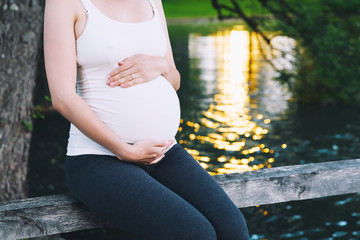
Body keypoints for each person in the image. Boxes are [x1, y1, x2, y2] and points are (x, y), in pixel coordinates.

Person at [43, 0, 249, 239]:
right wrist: (123, 150)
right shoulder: (66, 3)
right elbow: (62, 97)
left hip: (163, 152)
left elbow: (173, 79)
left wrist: (159, 64)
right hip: (98, 159)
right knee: (195, 233)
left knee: (233, 228)